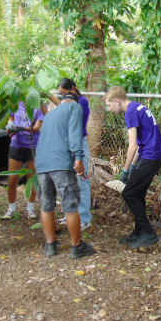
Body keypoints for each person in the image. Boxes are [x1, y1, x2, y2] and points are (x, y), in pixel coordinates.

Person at [104, 86, 161, 249]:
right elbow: (140, 144)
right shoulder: (137, 107)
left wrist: (125, 171)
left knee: (129, 193)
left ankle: (149, 233)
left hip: (151, 156)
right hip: (154, 155)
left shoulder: (130, 113)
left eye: (109, 105)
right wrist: (132, 166)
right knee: (138, 194)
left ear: (117, 101)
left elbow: (132, 147)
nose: (109, 109)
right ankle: (139, 232)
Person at [36, 91, 94, 259]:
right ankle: (77, 247)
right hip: (60, 162)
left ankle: (50, 245)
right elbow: (75, 134)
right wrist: (79, 158)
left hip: (42, 163)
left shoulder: (50, 115)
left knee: (46, 204)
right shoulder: (75, 107)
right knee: (70, 204)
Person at [49, 79, 92, 229]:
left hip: (78, 143)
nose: (62, 95)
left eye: (64, 92)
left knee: (82, 181)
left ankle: (84, 218)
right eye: (60, 93)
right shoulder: (66, 102)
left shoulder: (81, 102)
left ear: (73, 89)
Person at [1, 100, 45, 220]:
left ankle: (30, 209)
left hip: (33, 146)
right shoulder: (15, 104)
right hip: (16, 145)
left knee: (32, 179)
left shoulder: (39, 106)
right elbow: (11, 119)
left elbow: (37, 127)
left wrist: (20, 128)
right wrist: (10, 126)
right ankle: (11, 209)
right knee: (12, 179)